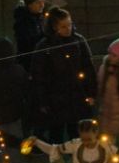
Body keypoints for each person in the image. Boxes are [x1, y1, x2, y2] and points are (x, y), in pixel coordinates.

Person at [28, 7, 96, 143]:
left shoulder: (78, 41)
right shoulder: (44, 46)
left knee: (77, 137)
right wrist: (43, 101)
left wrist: (91, 93)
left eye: (69, 24)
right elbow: (39, 76)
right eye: (64, 26)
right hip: (55, 100)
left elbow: (89, 68)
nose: (68, 29)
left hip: (77, 97)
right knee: (56, 137)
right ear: (54, 27)